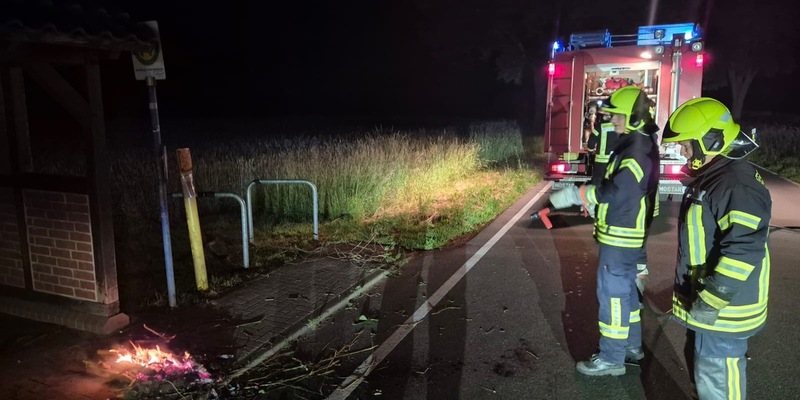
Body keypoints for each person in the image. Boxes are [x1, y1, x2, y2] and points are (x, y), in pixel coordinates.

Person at [661, 97, 770, 400]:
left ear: (711, 140)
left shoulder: (735, 184)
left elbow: (745, 247)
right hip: (713, 303)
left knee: (718, 374)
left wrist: (714, 298)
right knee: (708, 373)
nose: (683, 152)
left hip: (726, 308)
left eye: (687, 145)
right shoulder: (717, 176)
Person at [549, 86, 661, 376]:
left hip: (621, 233)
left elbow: (619, 191)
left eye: (619, 116)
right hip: (628, 231)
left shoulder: (635, 150)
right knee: (626, 293)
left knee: (612, 294)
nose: (614, 122)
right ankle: (632, 346)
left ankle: (612, 358)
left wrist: (580, 194)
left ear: (634, 117)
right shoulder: (639, 144)